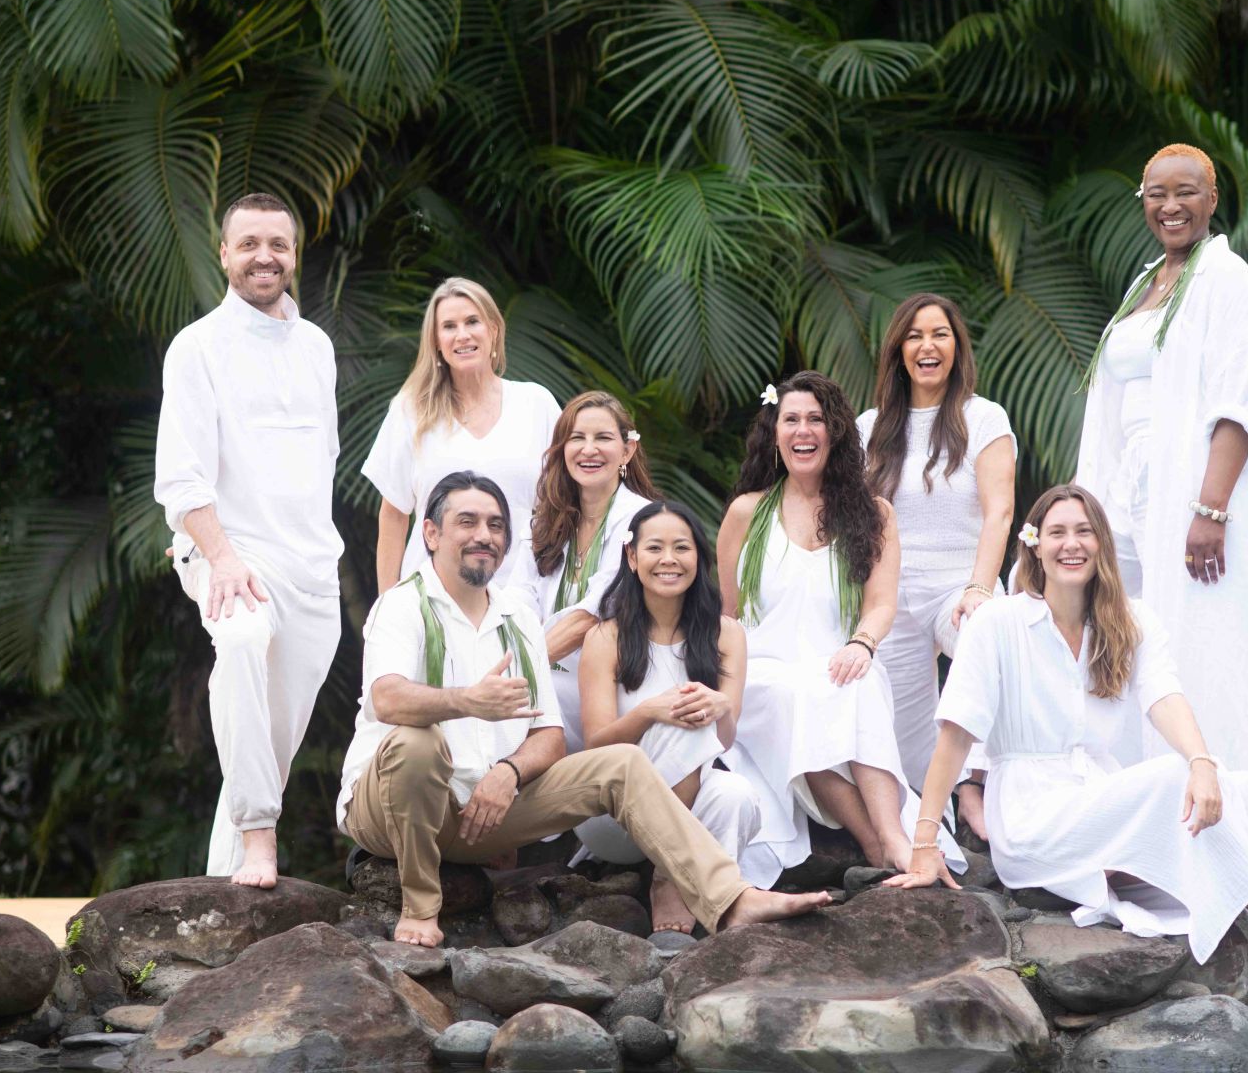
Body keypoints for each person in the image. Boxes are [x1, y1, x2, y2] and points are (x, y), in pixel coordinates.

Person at [886, 484, 1248, 985]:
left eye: (1084, 531)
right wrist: (925, 843)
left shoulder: (1129, 621)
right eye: (1057, 533)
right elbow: (955, 737)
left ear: (1101, 543)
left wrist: (1202, 762)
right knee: (1167, 782)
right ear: (1034, 545)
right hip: (1034, 819)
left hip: (1096, 797)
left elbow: (1165, 697)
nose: (1071, 544)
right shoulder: (998, 622)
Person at [336, 472, 829, 948]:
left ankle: (731, 899)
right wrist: (467, 701)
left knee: (623, 762)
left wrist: (510, 771)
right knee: (418, 742)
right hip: (392, 810)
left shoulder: (518, 619)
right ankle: (421, 907)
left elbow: (550, 737)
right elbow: (388, 699)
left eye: (496, 525)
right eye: (467, 522)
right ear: (430, 533)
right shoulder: (401, 605)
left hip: (485, 814)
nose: (483, 535)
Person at [1074, 144, 1248, 779]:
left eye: (1185, 192)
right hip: (1130, 491)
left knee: (1201, 645)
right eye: (1157, 193)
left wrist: (1210, 510)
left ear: (1212, 200)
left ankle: (1211, 800)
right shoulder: (1144, 284)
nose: (1170, 206)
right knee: (1122, 635)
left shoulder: (1227, 278)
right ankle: (1135, 801)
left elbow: (1239, 403)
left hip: (1196, 497)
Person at [154, 192, 342, 886]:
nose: (265, 256)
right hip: (231, 555)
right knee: (238, 642)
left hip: (311, 567)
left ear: (294, 255)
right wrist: (218, 557)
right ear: (225, 253)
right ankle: (262, 838)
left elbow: (323, 460)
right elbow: (180, 476)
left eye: (278, 244)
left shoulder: (317, 347)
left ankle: (225, 894)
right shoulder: (197, 346)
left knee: (268, 744)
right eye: (250, 244)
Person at [717, 371, 965, 878]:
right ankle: (877, 844)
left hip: (839, 656)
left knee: (858, 683)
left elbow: (881, 603)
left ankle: (892, 838)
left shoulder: (874, 514)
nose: (803, 431)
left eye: (816, 419)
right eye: (791, 420)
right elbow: (727, 612)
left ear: (835, 432)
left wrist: (862, 644)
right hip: (762, 671)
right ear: (774, 432)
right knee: (794, 697)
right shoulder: (746, 512)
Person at [856, 293, 1016, 840]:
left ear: (956, 347)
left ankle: (974, 788)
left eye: (940, 334)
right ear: (898, 350)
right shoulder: (870, 428)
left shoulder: (984, 417)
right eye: (915, 335)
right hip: (892, 595)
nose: (928, 346)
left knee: (987, 640)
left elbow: (1000, 512)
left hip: (961, 585)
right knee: (902, 733)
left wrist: (979, 588)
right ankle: (932, 824)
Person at [575, 501, 769, 932]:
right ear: (632, 557)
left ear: (698, 557)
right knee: (681, 715)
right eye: (654, 548)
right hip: (613, 815)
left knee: (737, 794)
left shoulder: (726, 634)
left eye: (681, 548)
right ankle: (669, 879)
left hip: (693, 791)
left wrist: (722, 708)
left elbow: (724, 741)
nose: (669, 560)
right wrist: (649, 711)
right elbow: (595, 747)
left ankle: (705, 894)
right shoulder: (606, 637)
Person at [363, 277, 560, 597]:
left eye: (472, 322)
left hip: (521, 599)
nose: (462, 335)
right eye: (449, 326)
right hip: (430, 602)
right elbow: (394, 516)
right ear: (436, 342)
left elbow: (564, 505)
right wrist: (386, 607)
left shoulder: (537, 404)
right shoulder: (411, 410)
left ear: (493, 330)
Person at [529, 392, 656, 750]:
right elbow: (517, 601)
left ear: (627, 451)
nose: (589, 449)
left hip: (611, 687)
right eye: (577, 438)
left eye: (603, 438)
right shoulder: (541, 522)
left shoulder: (642, 520)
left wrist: (520, 666)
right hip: (545, 680)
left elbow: (594, 614)